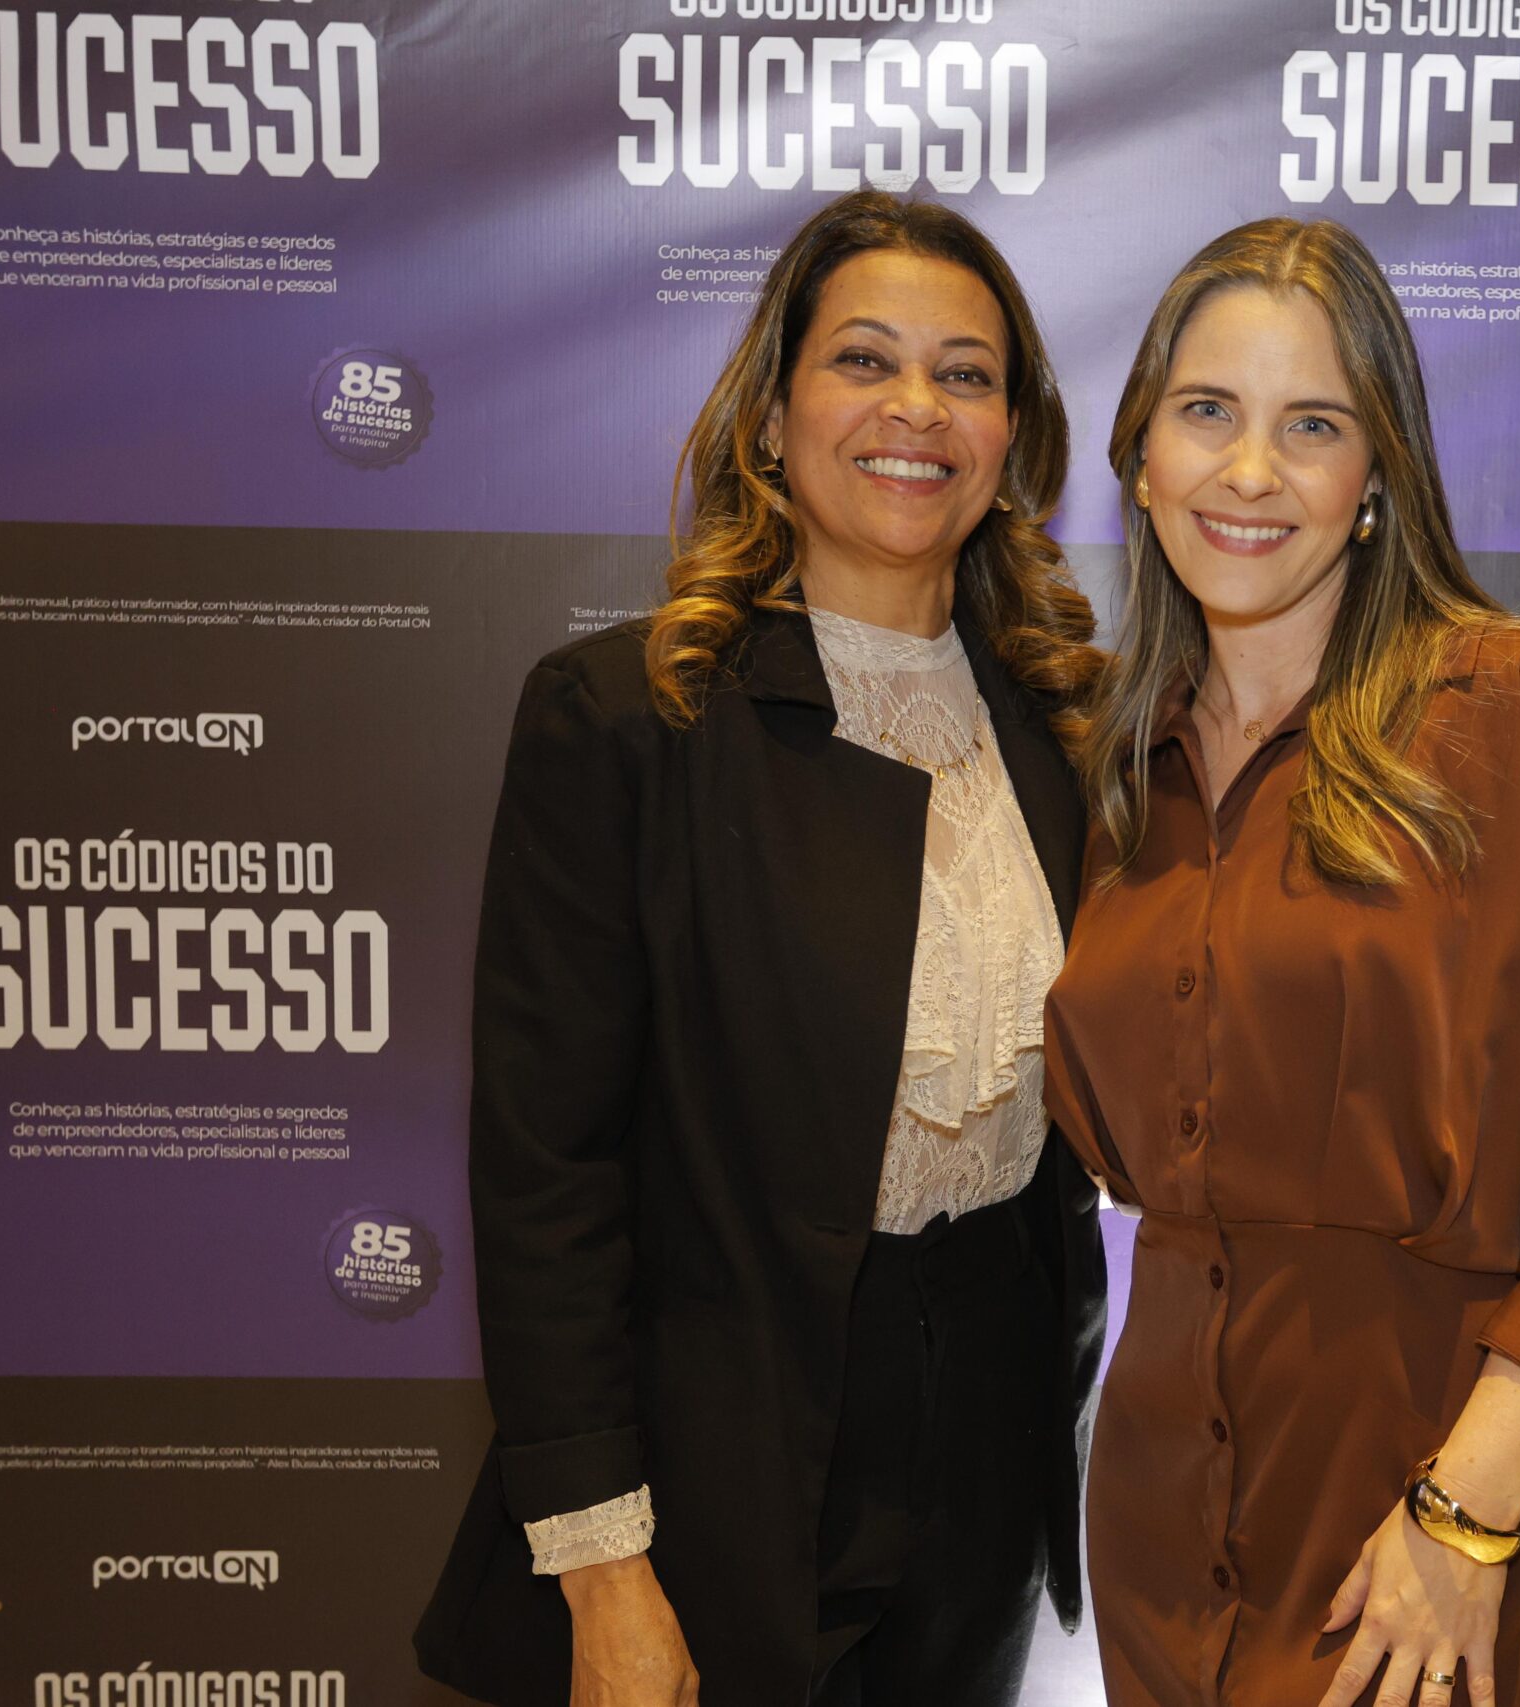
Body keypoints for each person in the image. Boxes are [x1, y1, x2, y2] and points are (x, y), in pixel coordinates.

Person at [414, 190, 1106, 1707]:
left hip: (989, 1466)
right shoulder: (630, 720)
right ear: (773, 420)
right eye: (864, 359)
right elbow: (547, 1179)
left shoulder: (1067, 732)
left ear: (1012, 443)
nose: (916, 407)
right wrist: (604, 1569)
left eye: (967, 374)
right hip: (716, 1474)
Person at [1044, 217, 1520, 1707]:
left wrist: (1466, 1512)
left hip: (1427, 1514)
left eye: (1313, 425)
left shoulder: (1513, 709)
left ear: (1376, 481)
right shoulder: (1116, 769)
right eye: (1207, 411)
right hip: (1162, 1521)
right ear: (1140, 454)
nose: (1249, 472)